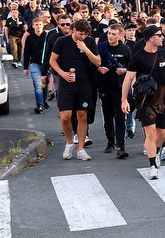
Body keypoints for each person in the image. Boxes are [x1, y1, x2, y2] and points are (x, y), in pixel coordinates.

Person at [121, 25, 165, 180]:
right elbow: (128, 79)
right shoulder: (138, 57)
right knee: (150, 132)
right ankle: (152, 165)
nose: (162, 38)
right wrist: (124, 100)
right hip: (146, 100)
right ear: (151, 38)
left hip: (163, 100)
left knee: (162, 134)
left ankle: (155, 152)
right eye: (159, 35)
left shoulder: (164, 53)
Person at [49, 19, 101, 162]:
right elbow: (52, 61)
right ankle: (69, 142)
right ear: (74, 30)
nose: (82, 37)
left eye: (85, 34)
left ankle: (81, 149)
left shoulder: (89, 42)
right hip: (66, 83)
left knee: (82, 116)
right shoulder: (61, 41)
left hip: (84, 83)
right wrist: (62, 73)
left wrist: (86, 49)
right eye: (80, 34)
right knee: (65, 116)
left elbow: (98, 62)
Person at [96, 22, 132, 158]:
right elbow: (92, 64)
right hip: (105, 86)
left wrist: (125, 70)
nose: (110, 36)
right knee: (108, 117)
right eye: (109, 33)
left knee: (120, 117)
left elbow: (133, 68)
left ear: (121, 35)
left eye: (114, 34)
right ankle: (110, 141)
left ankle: (121, 146)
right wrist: (99, 68)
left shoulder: (126, 50)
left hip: (120, 88)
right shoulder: (101, 47)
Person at [21, 18, 48, 114]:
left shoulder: (47, 36)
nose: (38, 26)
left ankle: (44, 100)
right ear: (32, 26)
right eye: (36, 25)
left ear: (43, 25)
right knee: (38, 85)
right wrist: (25, 67)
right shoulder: (30, 38)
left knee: (45, 85)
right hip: (34, 64)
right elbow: (27, 53)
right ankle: (39, 105)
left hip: (46, 64)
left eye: (40, 24)